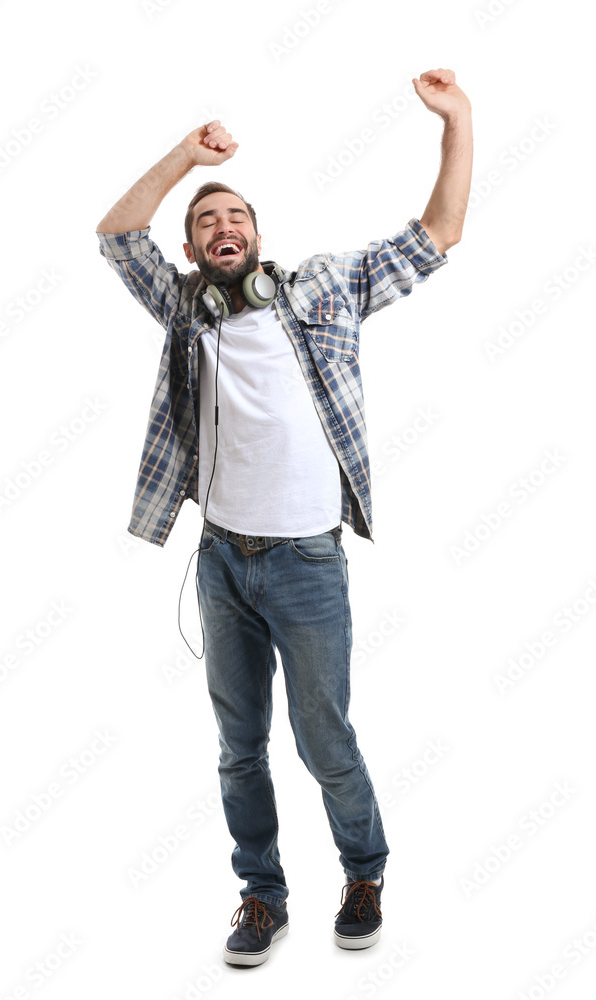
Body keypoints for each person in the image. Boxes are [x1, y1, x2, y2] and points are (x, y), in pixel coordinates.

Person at [96, 68, 473, 967]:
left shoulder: (325, 290)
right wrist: (187, 155)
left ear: (259, 240)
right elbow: (114, 233)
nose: (221, 227)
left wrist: (456, 119)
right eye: (204, 221)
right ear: (194, 251)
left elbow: (439, 233)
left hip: (306, 562)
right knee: (238, 749)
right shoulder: (185, 307)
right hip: (222, 562)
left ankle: (364, 872)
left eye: (235, 218)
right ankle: (261, 895)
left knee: (324, 738)